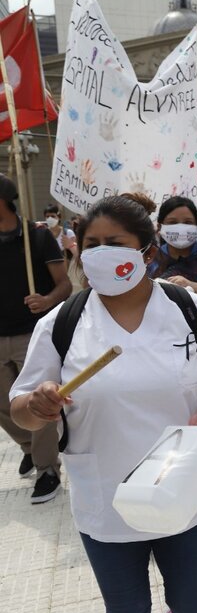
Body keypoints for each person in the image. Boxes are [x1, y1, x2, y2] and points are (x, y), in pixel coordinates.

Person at [9, 194, 197, 613]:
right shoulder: (62, 323)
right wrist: (36, 405)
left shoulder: (188, 309)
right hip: (105, 499)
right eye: (91, 244)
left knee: (196, 609)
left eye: (113, 242)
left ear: (146, 251)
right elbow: (21, 411)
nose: (100, 253)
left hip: (181, 490)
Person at [0, 175, 71, 503]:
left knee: (38, 402)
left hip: (33, 333)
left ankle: (47, 469)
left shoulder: (38, 238)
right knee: (7, 407)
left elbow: (64, 285)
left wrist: (46, 300)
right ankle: (29, 447)